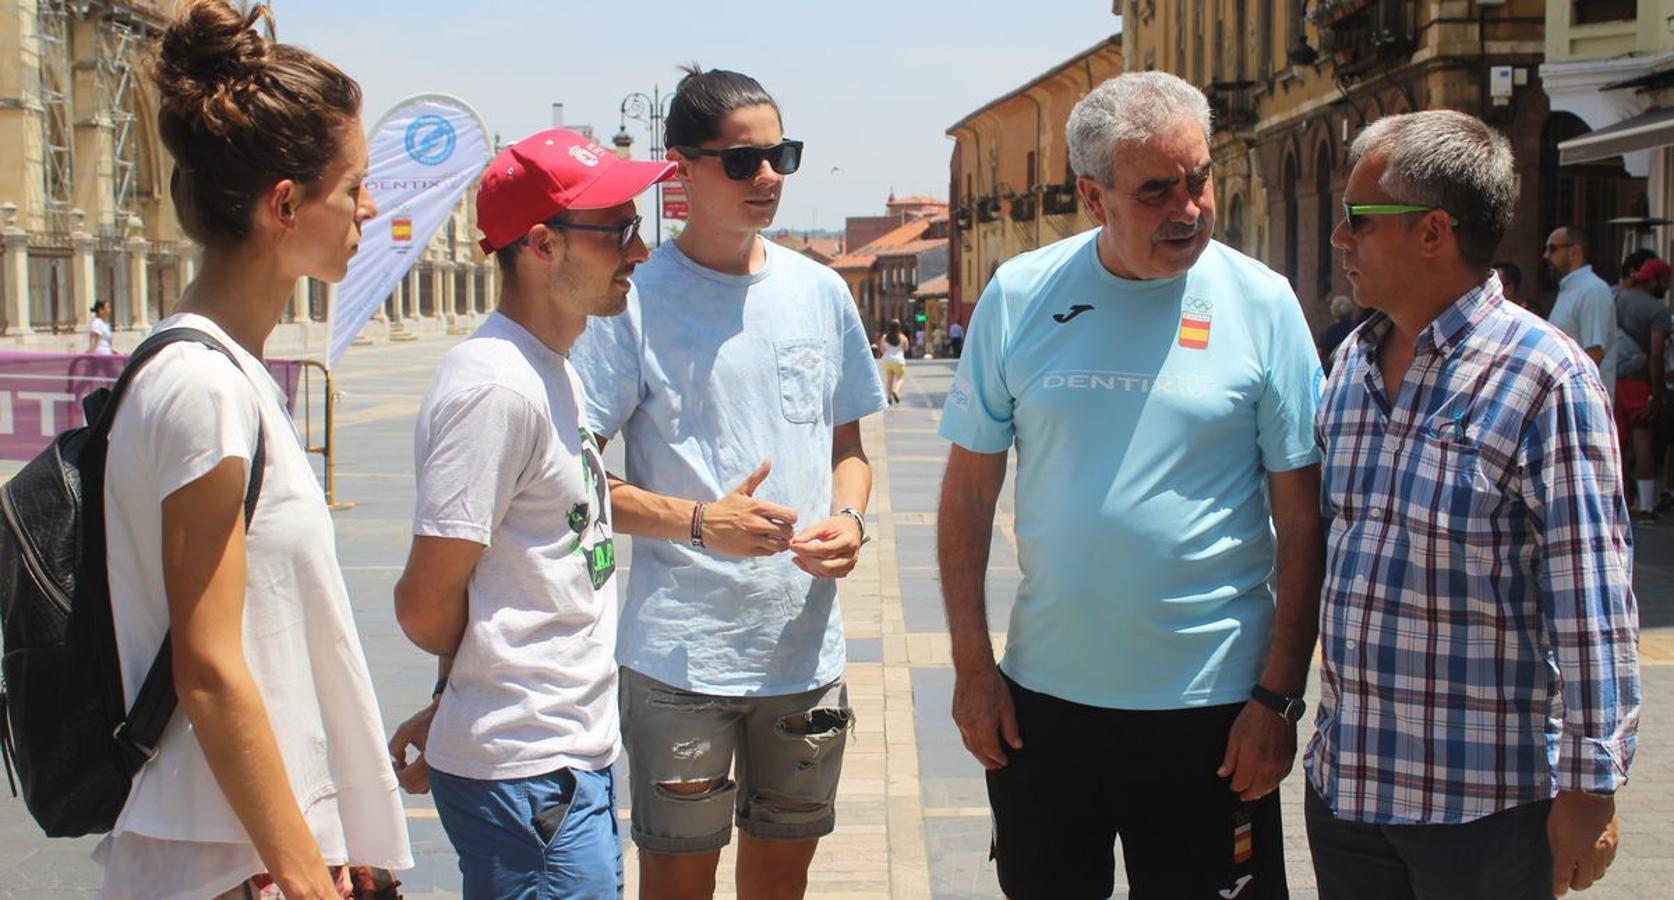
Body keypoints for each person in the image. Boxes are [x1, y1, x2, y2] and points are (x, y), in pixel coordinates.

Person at [937, 71, 1322, 900]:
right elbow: (968, 494)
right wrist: (973, 668)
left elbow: (1303, 517)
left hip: (1216, 715)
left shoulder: (1264, 304)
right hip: (1043, 707)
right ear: (1091, 194)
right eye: (1157, 190)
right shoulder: (1021, 295)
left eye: (1200, 177)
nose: (1189, 208)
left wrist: (1278, 700)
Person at [97, 3, 412, 897]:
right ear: (285, 205)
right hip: (225, 866)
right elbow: (209, 666)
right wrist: (304, 873)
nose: (369, 205)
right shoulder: (203, 388)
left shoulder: (225, 374)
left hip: (250, 852)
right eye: (353, 185)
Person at [570, 66, 886, 900]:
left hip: (803, 654)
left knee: (782, 883)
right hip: (681, 657)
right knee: (678, 887)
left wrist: (851, 522)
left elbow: (848, 445)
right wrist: (701, 522)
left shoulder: (820, 292)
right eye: (743, 162)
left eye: (780, 155)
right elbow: (571, 477)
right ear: (681, 169)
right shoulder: (633, 301)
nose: (769, 176)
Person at [1313, 109, 1639, 899]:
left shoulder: (1544, 378)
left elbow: (1591, 597)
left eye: (1357, 218)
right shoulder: (1352, 363)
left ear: (1432, 232)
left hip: (1485, 811)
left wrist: (1590, 785)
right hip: (1350, 790)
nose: (1338, 239)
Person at [383, 129, 672, 898]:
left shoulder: (550, 370)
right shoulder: (495, 388)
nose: (638, 253)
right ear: (543, 245)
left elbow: (519, 548)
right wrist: (479, 691)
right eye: (619, 233)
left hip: (559, 762)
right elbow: (423, 602)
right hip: (529, 769)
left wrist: (457, 693)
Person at [1614, 257, 1671, 524]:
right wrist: (1657, 392)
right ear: (1655, 280)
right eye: (1666, 280)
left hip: (1614, 378)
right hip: (1640, 381)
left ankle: (1621, 500)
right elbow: (1657, 353)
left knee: (1618, 441)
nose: (1668, 286)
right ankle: (1646, 504)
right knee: (1643, 439)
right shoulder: (1657, 310)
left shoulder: (1617, 298)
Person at [1545, 225, 1618, 395]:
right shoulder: (1570, 289)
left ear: (1575, 252)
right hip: (1568, 399)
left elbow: (1594, 354)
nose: (1546, 255)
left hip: (1585, 404)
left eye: (1552, 249)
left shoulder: (1592, 289)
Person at [1317, 294, 1359, 370]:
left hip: (1333, 372)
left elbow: (1319, 354)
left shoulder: (1328, 333)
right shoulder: (1358, 329)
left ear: (1334, 311)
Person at [880, 317, 908, 404]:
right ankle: (895, 391)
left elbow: (882, 350)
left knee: (889, 380)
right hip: (899, 361)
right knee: (899, 379)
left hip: (887, 360)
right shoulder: (903, 337)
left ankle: (888, 397)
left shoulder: (885, 337)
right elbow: (906, 348)